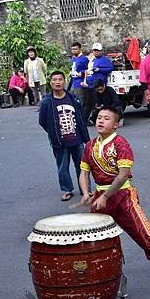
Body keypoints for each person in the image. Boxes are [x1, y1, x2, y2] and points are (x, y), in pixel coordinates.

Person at [78, 106, 150, 294]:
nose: (100, 121)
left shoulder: (121, 144)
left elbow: (123, 176)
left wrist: (105, 196)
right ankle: (96, 280)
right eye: (99, 118)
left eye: (106, 118)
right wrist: (86, 192)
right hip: (100, 198)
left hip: (123, 197)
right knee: (92, 241)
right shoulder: (90, 146)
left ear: (116, 125)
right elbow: (84, 172)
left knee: (147, 238)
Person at [39, 71, 89, 201]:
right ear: (50, 83)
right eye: (54, 80)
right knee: (62, 166)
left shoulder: (72, 98)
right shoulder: (47, 102)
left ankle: (86, 190)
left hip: (76, 139)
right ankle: (67, 190)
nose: (57, 82)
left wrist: (85, 138)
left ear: (64, 81)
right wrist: (53, 132)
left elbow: (80, 118)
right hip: (60, 141)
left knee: (82, 166)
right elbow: (43, 122)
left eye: (60, 79)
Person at [82, 42, 114, 123]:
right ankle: (84, 120)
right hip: (89, 85)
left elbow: (110, 68)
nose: (96, 52)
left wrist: (100, 69)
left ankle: (94, 119)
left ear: (101, 51)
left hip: (98, 86)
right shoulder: (92, 59)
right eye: (95, 50)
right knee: (87, 103)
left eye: (98, 51)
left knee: (96, 104)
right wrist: (85, 81)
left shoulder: (105, 60)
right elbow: (87, 70)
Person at [70, 42, 90, 118]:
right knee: (72, 99)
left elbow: (88, 69)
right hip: (73, 82)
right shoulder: (73, 58)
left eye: (75, 49)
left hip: (80, 82)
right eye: (72, 49)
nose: (74, 51)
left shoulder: (84, 59)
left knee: (80, 100)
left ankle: (81, 117)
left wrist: (81, 73)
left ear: (80, 49)